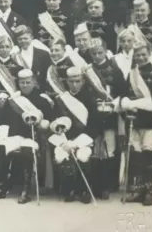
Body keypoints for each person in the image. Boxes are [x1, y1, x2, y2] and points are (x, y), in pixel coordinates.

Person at [0, 69, 53, 203]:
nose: (24, 85)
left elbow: (50, 121)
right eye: (22, 82)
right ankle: (1, 187)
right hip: (14, 136)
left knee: (27, 151)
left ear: (34, 82)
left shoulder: (42, 100)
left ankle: (26, 190)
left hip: (33, 137)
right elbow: (0, 120)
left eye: (27, 82)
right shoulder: (13, 100)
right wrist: (0, 108)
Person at [118, 44, 152, 206]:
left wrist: (139, 103)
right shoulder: (131, 74)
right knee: (135, 155)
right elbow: (124, 94)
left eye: (143, 55)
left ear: (149, 54)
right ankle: (136, 190)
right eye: (137, 55)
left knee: (147, 154)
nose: (140, 58)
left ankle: (148, 190)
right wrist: (125, 102)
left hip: (149, 121)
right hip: (133, 119)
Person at [49, 67, 98, 204]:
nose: (74, 84)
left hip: (84, 139)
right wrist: (64, 142)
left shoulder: (90, 99)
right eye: (71, 81)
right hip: (65, 139)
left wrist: (77, 143)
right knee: (61, 157)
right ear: (67, 82)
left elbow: (95, 125)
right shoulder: (61, 99)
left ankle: (84, 190)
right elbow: (54, 122)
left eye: (77, 81)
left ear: (83, 81)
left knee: (82, 156)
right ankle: (69, 189)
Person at [88, 40, 128, 199]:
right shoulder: (88, 70)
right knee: (95, 149)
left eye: (100, 52)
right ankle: (96, 185)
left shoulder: (115, 70)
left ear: (105, 51)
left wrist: (115, 104)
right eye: (93, 53)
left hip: (111, 114)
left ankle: (111, 184)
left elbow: (123, 91)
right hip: (93, 114)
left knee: (110, 148)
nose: (97, 56)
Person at [12, 25, 51, 91]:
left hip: (41, 91)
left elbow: (48, 76)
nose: (23, 41)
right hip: (23, 92)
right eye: (20, 39)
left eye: (25, 38)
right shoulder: (15, 56)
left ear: (32, 38)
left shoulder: (44, 54)